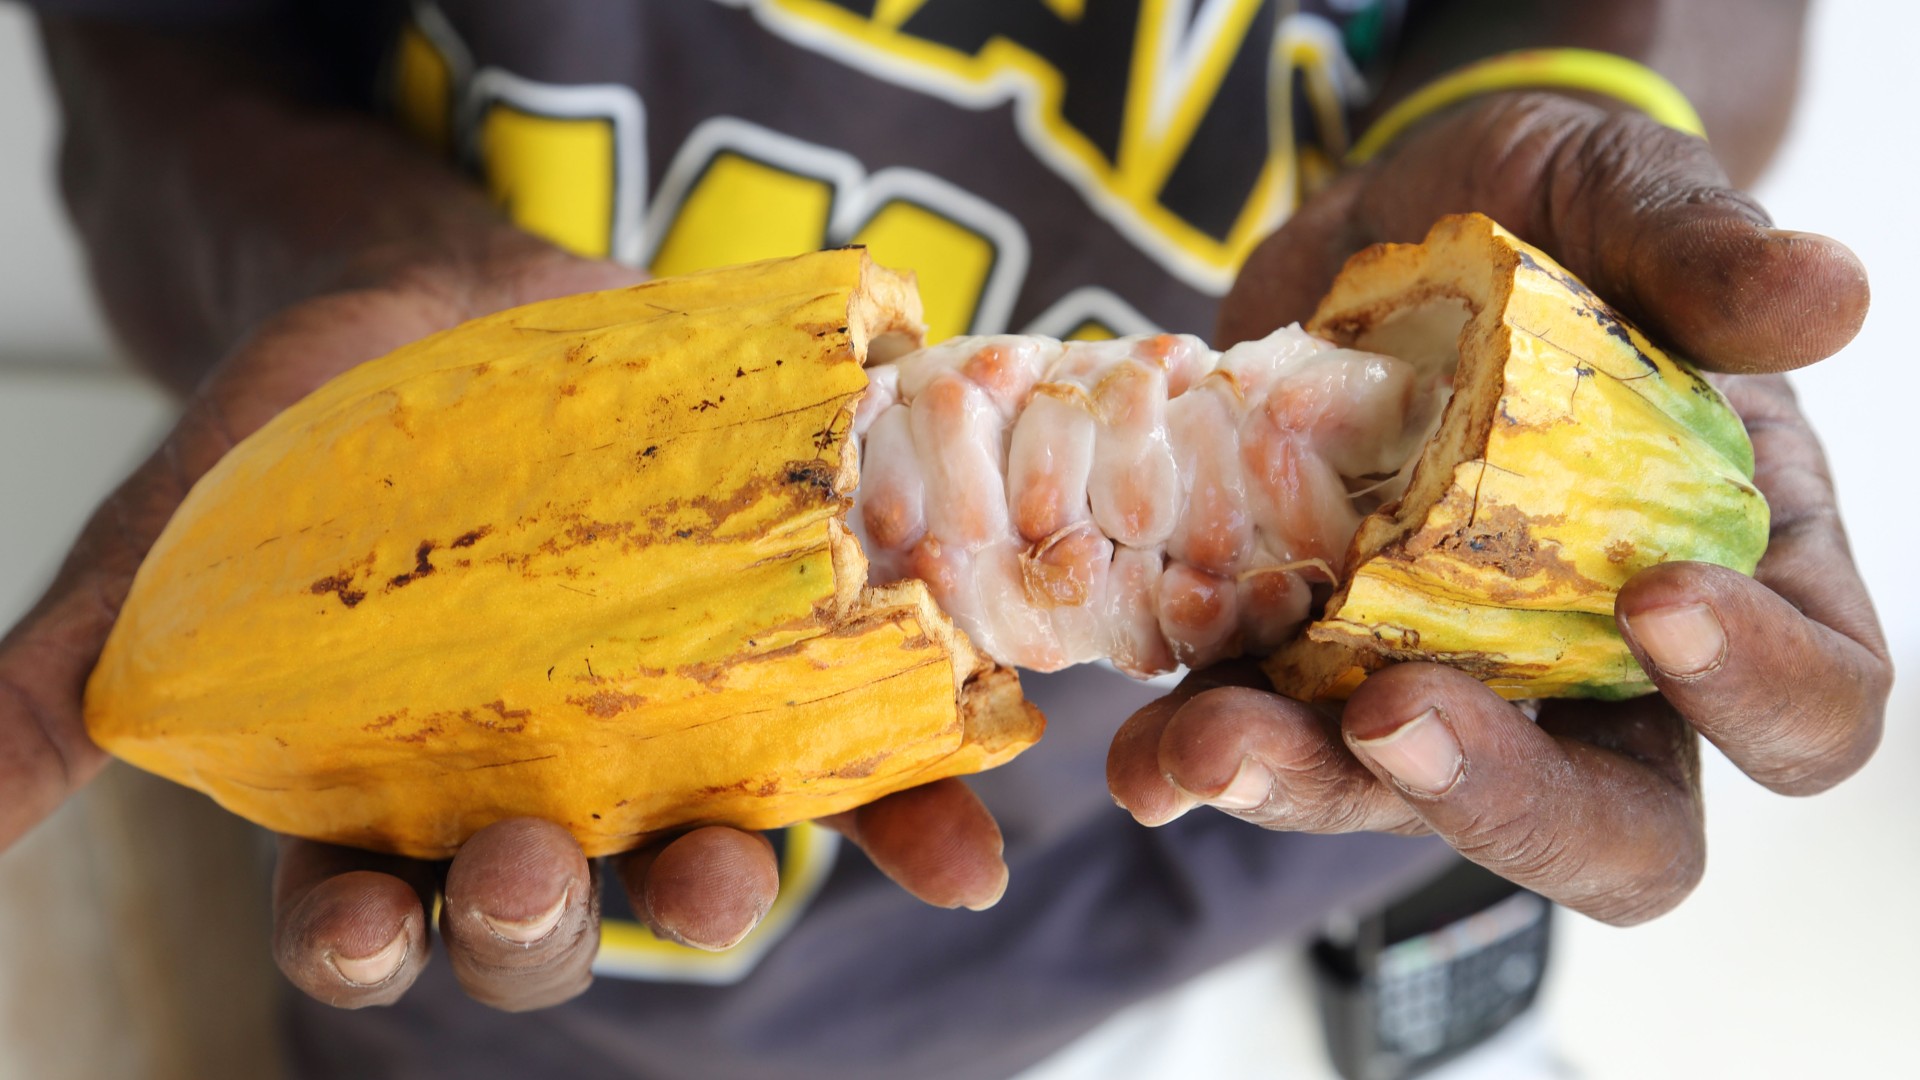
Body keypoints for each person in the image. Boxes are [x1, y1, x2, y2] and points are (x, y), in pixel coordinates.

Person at [2, 1, 1888, 1077]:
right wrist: (336, 243)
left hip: (1138, 860)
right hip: (505, 889)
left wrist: (1556, 92)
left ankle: (1422, 970)